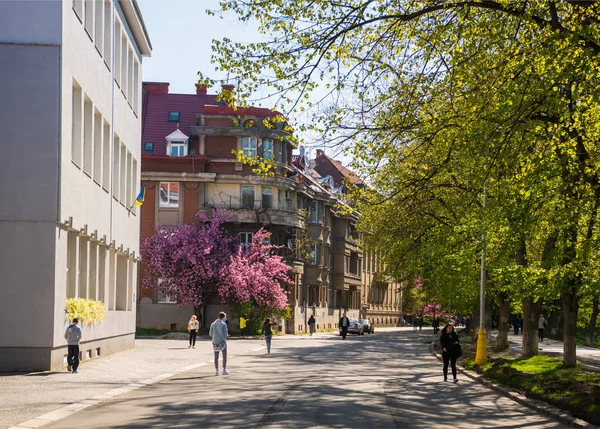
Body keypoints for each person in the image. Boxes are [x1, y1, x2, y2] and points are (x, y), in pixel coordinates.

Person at [209, 312, 229, 376]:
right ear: (223, 317)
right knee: (224, 356)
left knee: (216, 356)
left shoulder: (213, 324)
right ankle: (224, 369)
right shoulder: (223, 324)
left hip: (215, 342)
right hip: (222, 341)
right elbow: (226, 334)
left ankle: (217, 370)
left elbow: (210, 334)